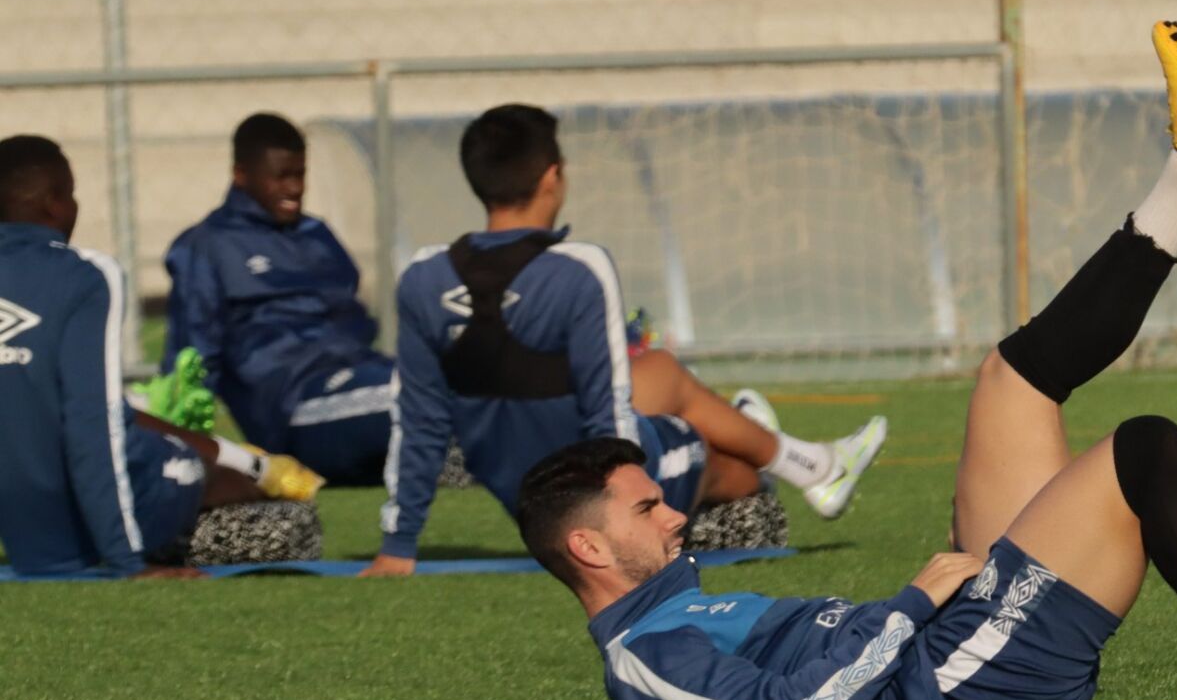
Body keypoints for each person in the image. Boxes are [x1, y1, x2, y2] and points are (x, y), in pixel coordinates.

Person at [514, 23, 1177, 700]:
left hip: (943, 644)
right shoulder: (644, 659)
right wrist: (911, 604)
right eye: (648, 509)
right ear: (589, 546)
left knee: (1015, 377)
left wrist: (918, 608)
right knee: (1145, 451)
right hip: (960, 692)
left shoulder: (673, 609)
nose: (676, 513)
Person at [367, 105, 885, 576]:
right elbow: (608, 410)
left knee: (659, 371)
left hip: (524, 495)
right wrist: (626, 524)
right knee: (728, 466)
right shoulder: (578, 268)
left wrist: (398, 544)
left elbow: (417, 418)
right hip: (591, 496)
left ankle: (798, 455)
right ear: (552, 176)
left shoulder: (423, 276)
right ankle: (804, 463)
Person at [0, 135, 322, 578]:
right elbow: (93, 423)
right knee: (292, 527)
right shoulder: (85, 275)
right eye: (72, 194)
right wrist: (126, 562)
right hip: (97, 520)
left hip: (24, 531)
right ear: (55, 202)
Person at [161, 113, 394, 485]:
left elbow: (354, 320)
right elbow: (191, 361)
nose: (294, 188)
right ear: (241, 175)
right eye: (281, 176)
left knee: (453, 379)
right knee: (411, 394)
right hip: (292, 406)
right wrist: (182, 452)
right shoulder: (207, 246)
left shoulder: (317, 235)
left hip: (359, 377)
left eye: (300, 174)